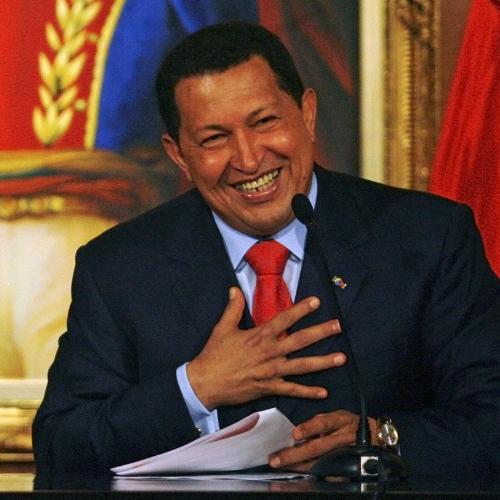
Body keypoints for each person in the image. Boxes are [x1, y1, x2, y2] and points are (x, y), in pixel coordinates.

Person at [33, 22, 500, 477]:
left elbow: (491, 417)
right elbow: (61, 445)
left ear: (307, 114)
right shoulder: (117, 266)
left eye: (265, 122)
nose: (249, 158)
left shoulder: (428, 237)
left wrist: (383, 438)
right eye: (214, 138)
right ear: (178, 155)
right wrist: (196, 387)